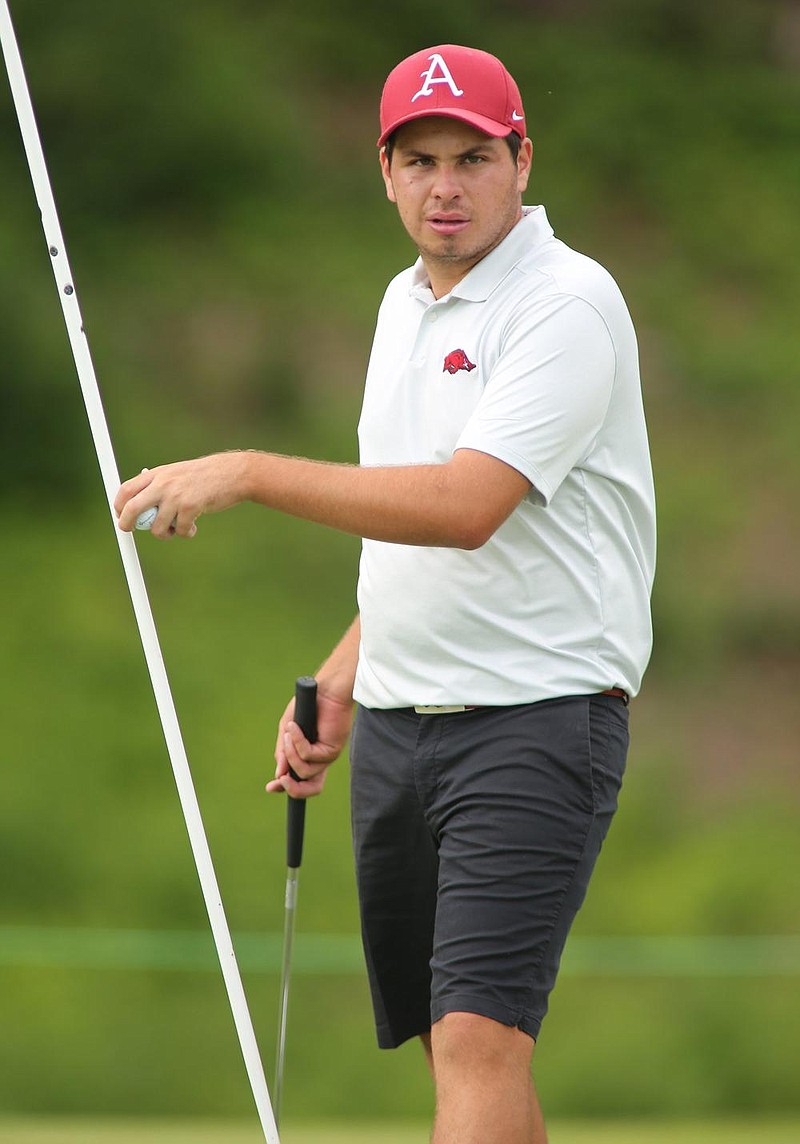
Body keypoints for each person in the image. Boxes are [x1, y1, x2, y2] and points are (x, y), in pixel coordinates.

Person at [116, 43, 656, 1144]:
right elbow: (414, 538)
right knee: (451, 1044)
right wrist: (344, 677)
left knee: (476, 1038)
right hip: (405, 728)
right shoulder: (401, 305)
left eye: (470, 157)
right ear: (384, 169)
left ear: (521, 160)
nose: (444, 186)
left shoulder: (564, 303)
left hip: (537, 717)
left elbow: (464, 506)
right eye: (419, 160)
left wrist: (250, 471)